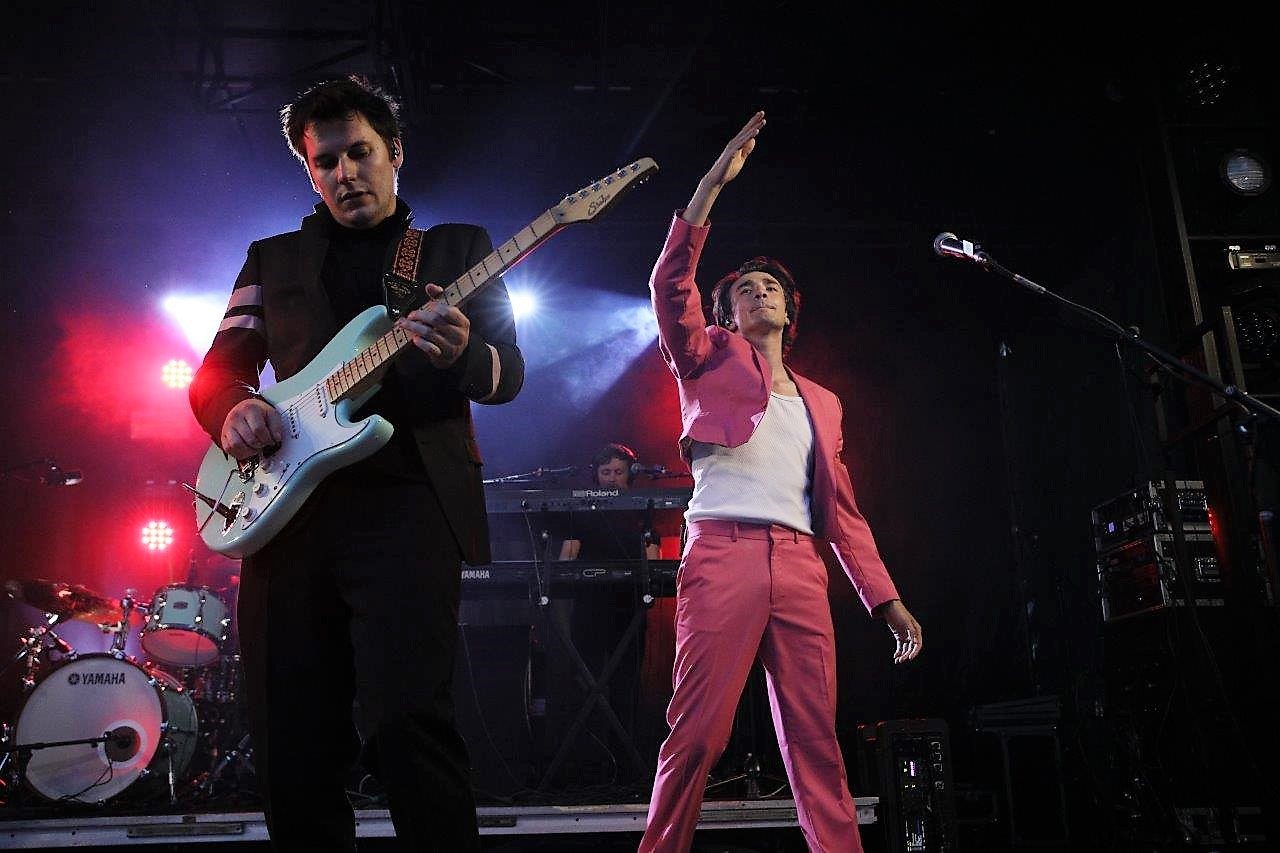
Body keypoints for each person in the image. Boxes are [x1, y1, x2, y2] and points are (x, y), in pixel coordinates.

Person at [189, 75, 524, 851]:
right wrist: (232, 408)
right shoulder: (271, 259)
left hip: (407, 509)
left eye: (360, 152)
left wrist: (464, 352)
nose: (345, 172)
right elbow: (217, 371)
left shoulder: (455, 250)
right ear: (310, 172)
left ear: (395, 152)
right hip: (287, 520)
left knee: (409, 723)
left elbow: (509, 373)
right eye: (326, 160)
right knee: (291, 740)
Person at [638, 111, 924, 853]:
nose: (759, 292)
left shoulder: (825, 402)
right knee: (699, 735)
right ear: (728, 312)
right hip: (723, 552)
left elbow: (845, 514)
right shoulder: (705, 359)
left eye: (771, 286)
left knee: (815, 742)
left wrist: (887, 601)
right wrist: (709, 187)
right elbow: (670, 283)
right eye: (745, 288)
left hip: (800, 567)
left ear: (790, 310)